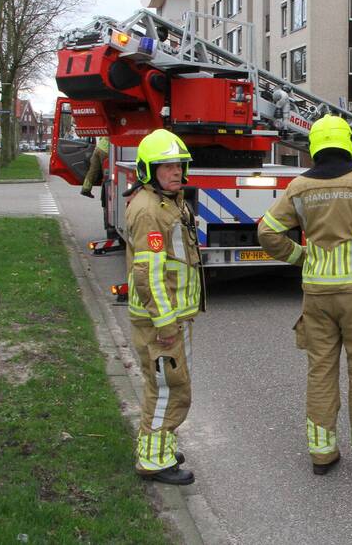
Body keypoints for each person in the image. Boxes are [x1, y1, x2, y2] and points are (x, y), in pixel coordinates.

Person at [258, 115, 352, 478]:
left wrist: (301, 256)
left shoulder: (298, 186)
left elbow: (267, 231)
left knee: (320, 371)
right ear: (347, 144)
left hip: (317, 294)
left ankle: (322, 454)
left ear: (314, 147)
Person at [124, 128, 201, 485]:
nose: (175, 172)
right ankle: (154, 460)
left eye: (178, 165)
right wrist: (166, 324)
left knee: (168, 383)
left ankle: (160, 445)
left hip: (169, 315)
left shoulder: (168, 202)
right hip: (159, 321)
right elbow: (149, 274)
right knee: (168, 387)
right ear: (148, 170)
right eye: (166, 166)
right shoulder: (149, 211)